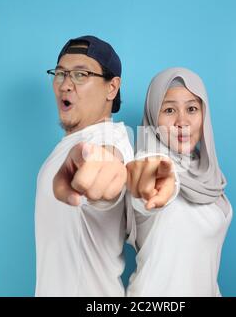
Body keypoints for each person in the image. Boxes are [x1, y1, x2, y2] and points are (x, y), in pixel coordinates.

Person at [34, 36, 176, 296]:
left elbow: (105, 165)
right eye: (61, 73)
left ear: (111, 88)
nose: (65, 85)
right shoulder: (70, 142)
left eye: (80, 74)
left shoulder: (108, 140)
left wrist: (101, 175)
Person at [126, 67, 233, 297]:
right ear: (154, 117)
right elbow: (146, 184)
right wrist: (148, 182)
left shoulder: (208, 174)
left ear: (204, 115)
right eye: (169, 109)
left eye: (192, 109)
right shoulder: (152, 165)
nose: (182, 121)